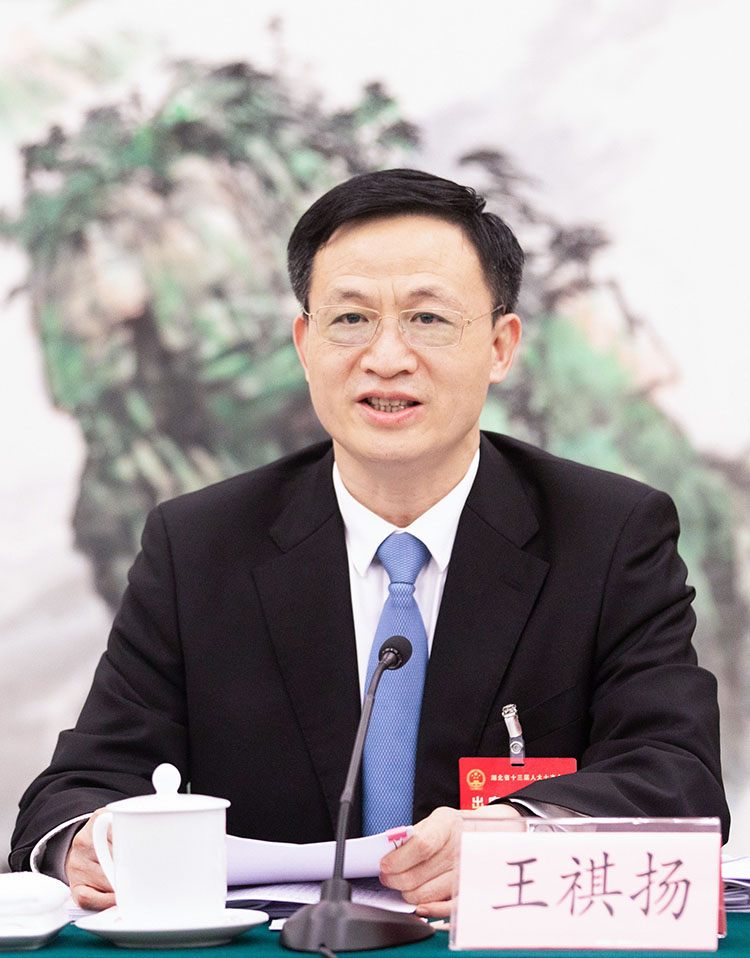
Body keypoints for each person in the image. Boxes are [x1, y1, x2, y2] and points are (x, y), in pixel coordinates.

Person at [10, 169, 729, 919]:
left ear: (500, 346)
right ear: (304, 344)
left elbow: (676, 777)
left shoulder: (609, 535)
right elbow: (75, 791)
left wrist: (520, 833)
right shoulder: (199, 547)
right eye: (351, 319)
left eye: (428, 318)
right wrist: (85, 842)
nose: (386, 357)